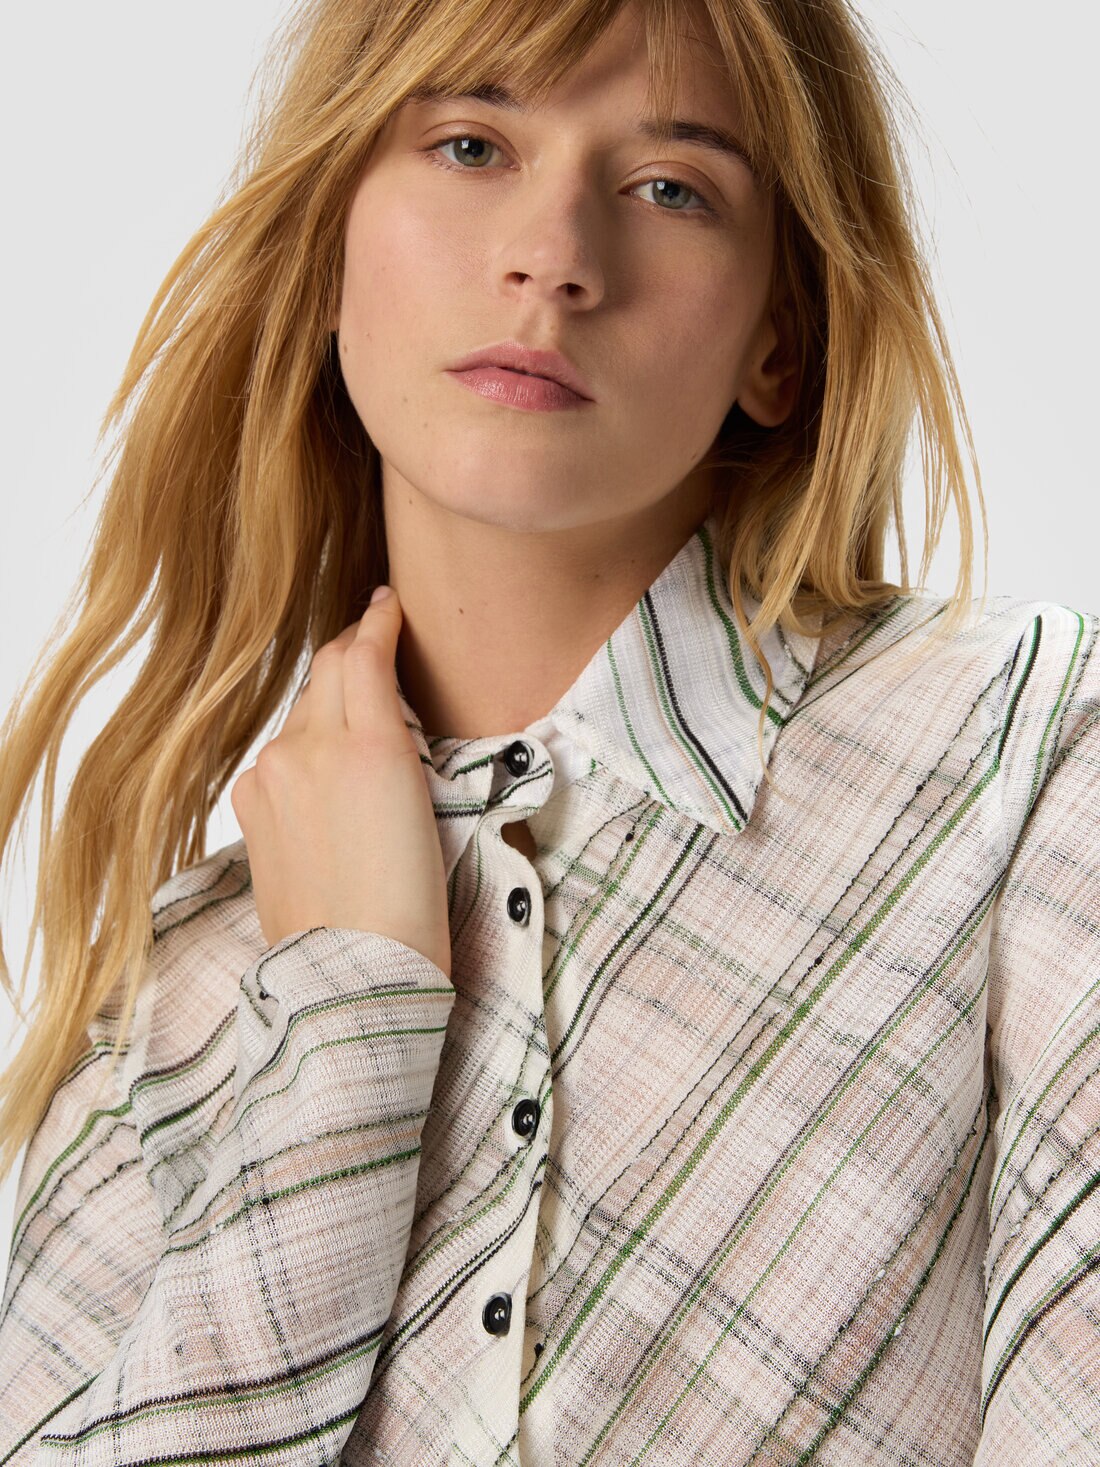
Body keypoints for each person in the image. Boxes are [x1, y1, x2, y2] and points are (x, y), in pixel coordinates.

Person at [0, 0, 1095, 1460]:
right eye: (471, 146)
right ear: (329, 250)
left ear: (778, 341)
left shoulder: (1021, 756)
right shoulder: (170, 1009)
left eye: (670, 187)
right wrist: (347, 1016)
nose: (555, 256)